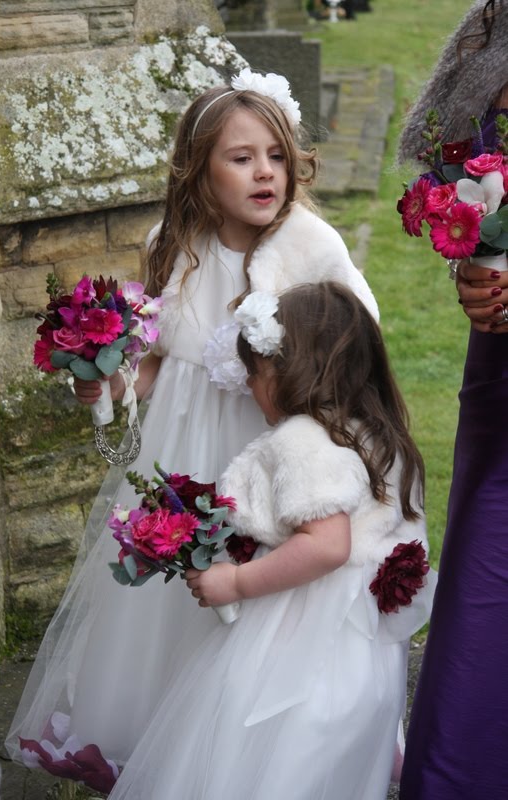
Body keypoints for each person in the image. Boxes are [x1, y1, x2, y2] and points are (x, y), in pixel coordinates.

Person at [5, 69, 378, 794]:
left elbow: (359, 345)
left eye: (275, 153)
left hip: (267, 453)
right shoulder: (173, 243)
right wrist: (107, 380)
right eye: (241, 158)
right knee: (171, 605)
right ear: (198, 171)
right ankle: (154, 738)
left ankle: (250, 751)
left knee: (257, 597)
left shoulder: (313, 246)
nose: (264, 171)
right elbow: (150, 364)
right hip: (181, 452)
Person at [105, 281, 436, 800]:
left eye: (254, 374)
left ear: (289, 372)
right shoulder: (375, 432)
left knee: (262, 745)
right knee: (325, 765)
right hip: (354, 646)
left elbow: (328, 546)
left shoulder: (306, 441)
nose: (252, 388)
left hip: (296, 636)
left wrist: (236, 580)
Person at [398, 2, 508, 798]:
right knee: (484, 569)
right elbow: (462, 170)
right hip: (501, 366)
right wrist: (470, 262)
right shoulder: (488, 31)